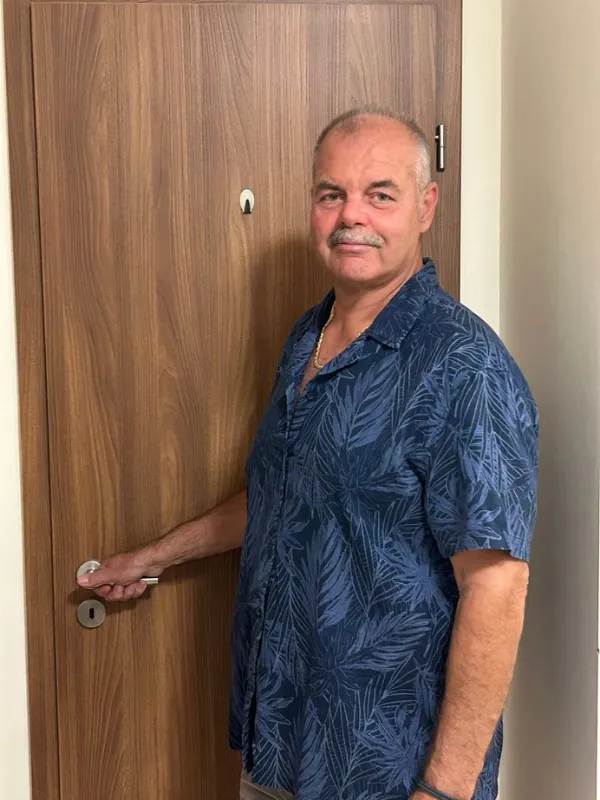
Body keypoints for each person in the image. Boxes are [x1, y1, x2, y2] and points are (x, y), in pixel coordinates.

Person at [77, 106, 539, 800]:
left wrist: (443, 791)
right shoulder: (307, 337)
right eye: (332, 194)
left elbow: (497, 587)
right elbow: (282, 493)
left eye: (380, 194)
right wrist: (150, 559)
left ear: (425, 206)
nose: (352, 215)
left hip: (386, 772)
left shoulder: (463, 367)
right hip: (278, 743)